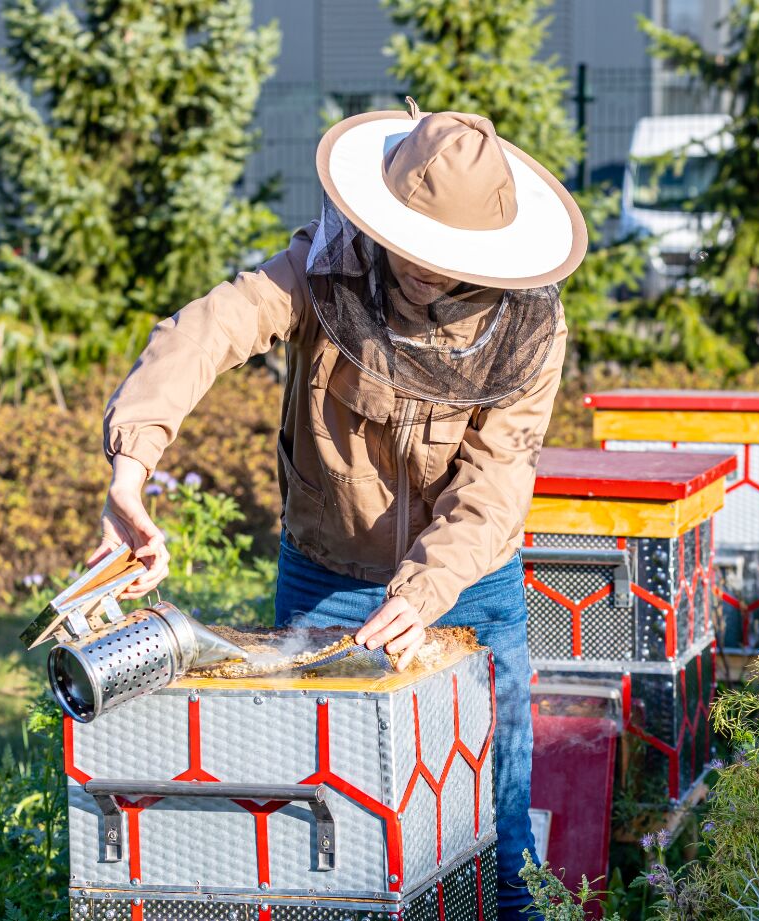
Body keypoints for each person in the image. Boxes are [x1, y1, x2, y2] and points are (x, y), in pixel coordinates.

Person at [89, 98, 586, 918]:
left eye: (445, 253)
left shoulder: (531, 329)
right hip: (325, 575)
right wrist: (131, 464)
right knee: (329, 828)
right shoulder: (323, 266)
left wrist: (423, 592)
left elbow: (496, 482)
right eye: (411, 245)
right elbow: (210, 327)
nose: (422, 266)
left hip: (472, 588)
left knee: (499, 839)